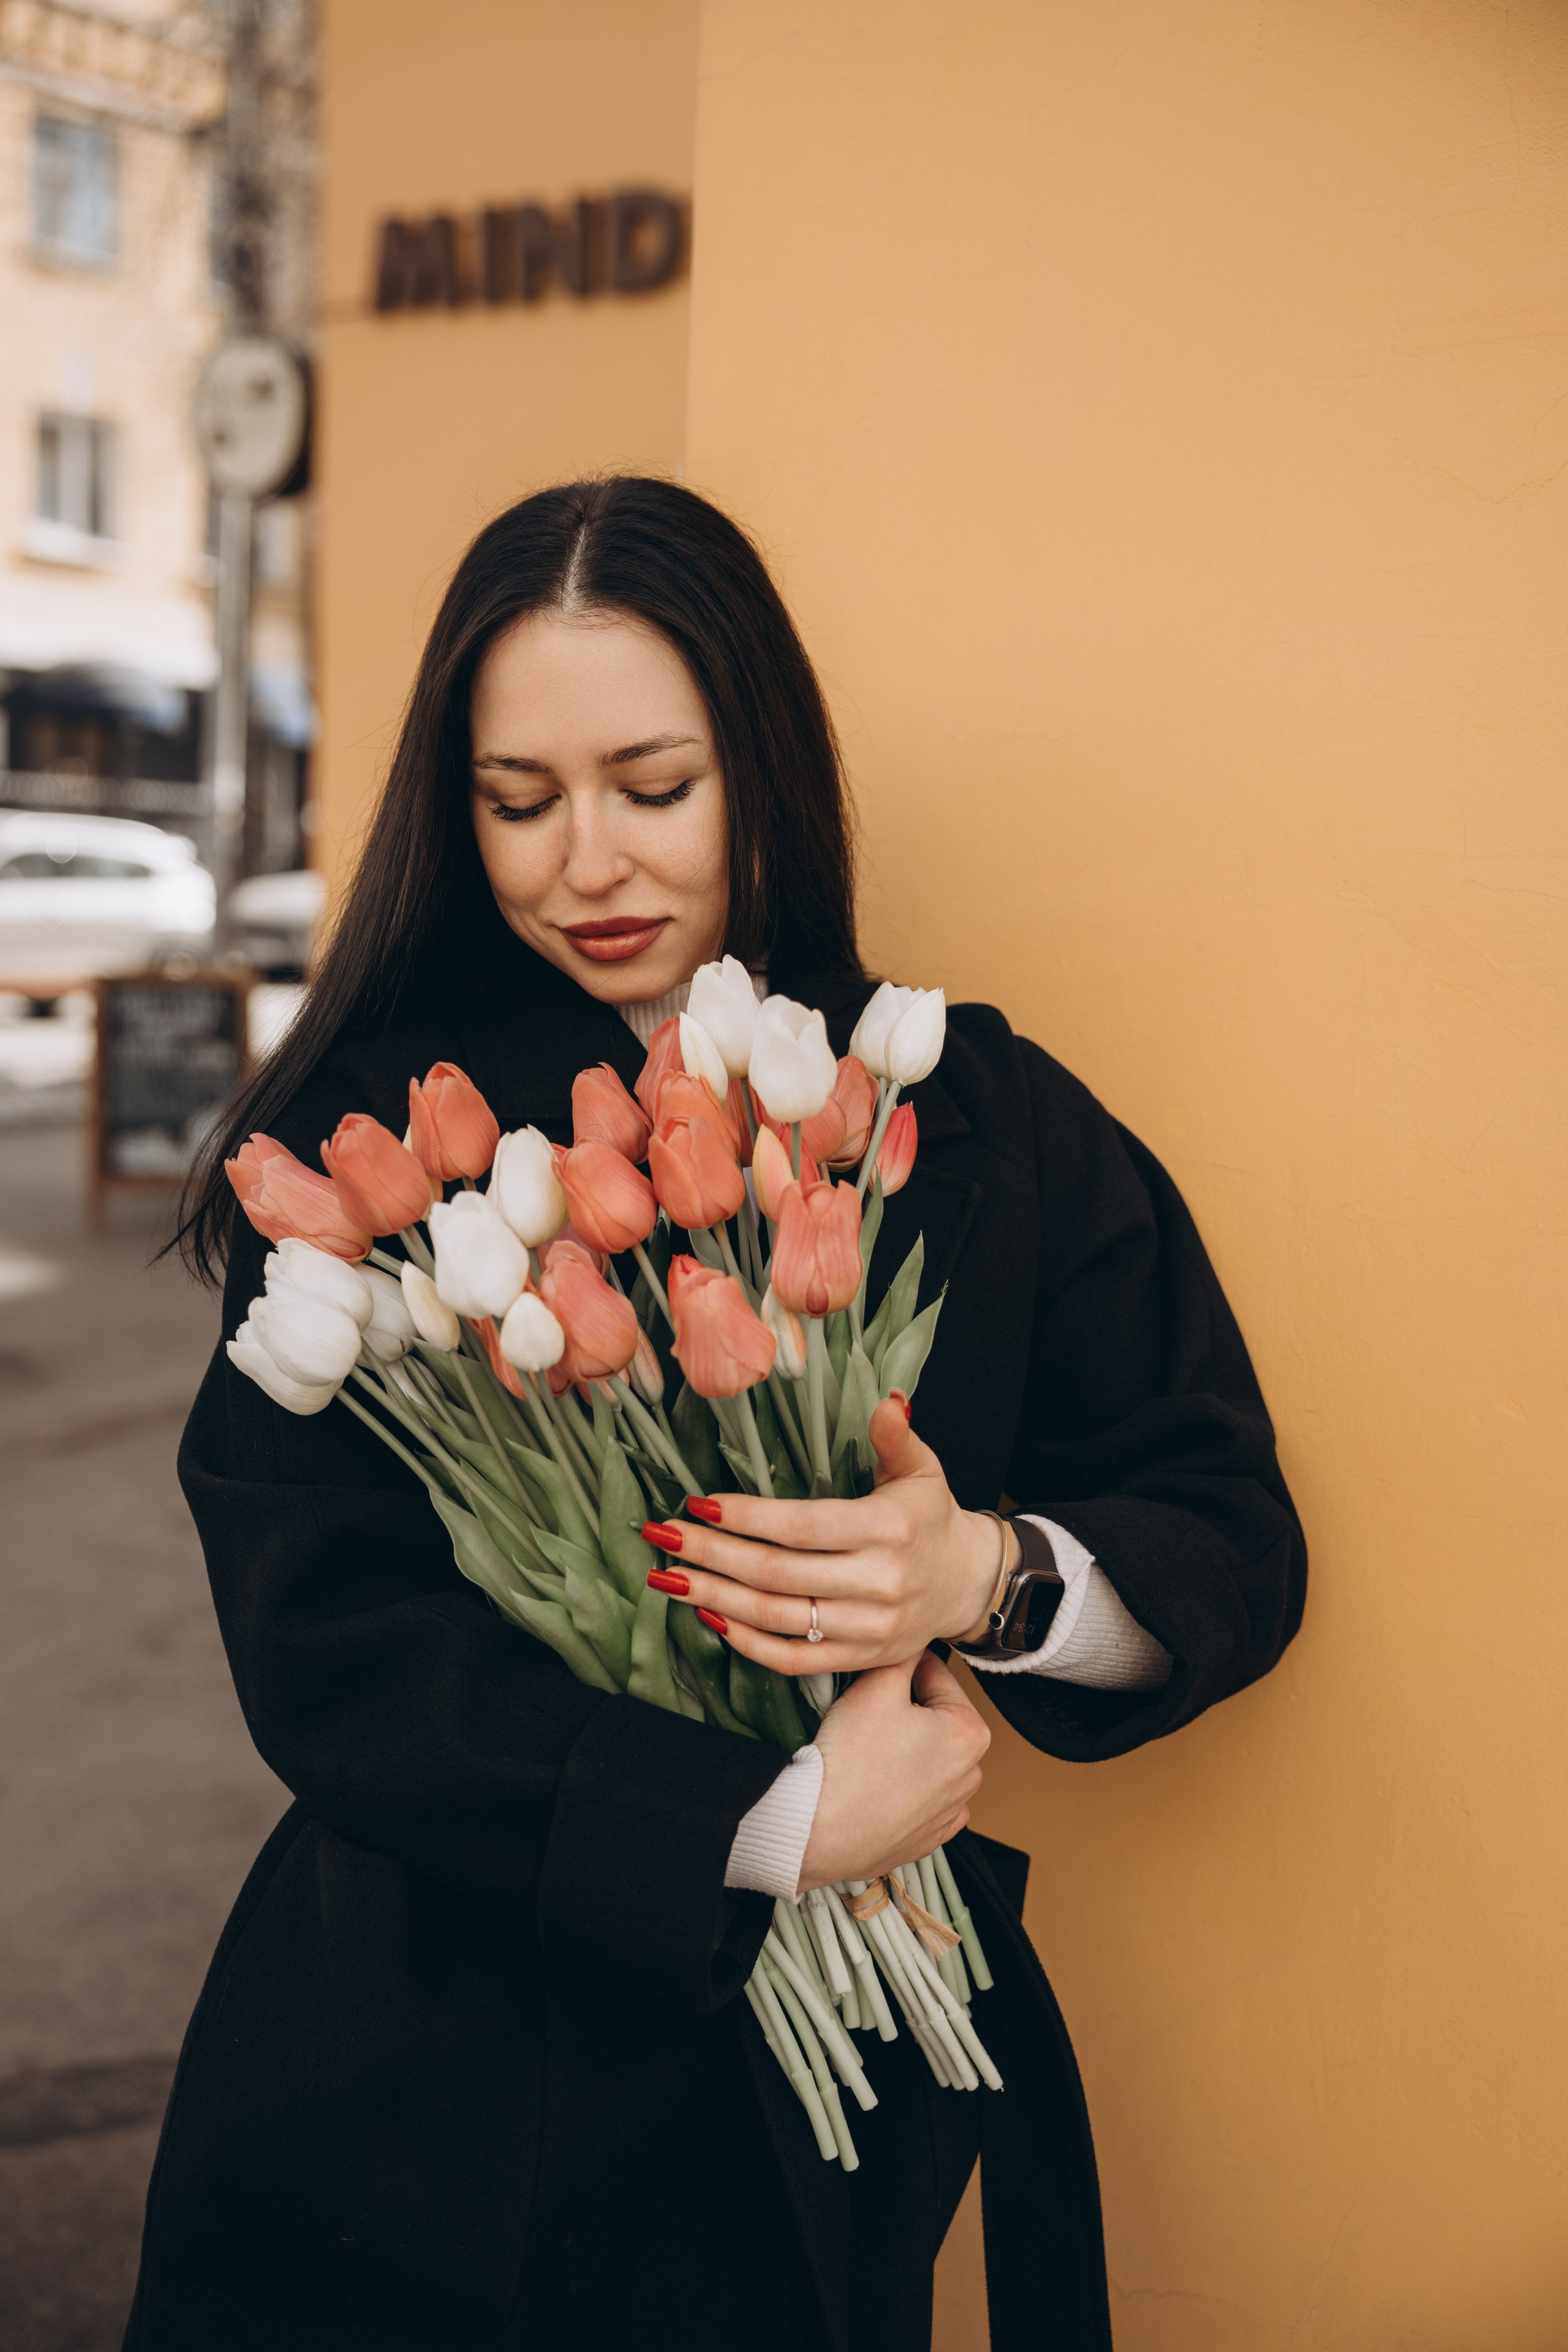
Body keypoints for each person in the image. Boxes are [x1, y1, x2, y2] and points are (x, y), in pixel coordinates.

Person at [126, 477, 1305, 2352]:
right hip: (410, 2102)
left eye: (650, 788)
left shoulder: (972, 1117)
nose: (582, 864)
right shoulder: (373, 1145)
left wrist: (980, 1577)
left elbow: (1228, 1526)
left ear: (761, 763)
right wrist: (763, 1821)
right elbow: (320, 1633)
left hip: (810, 2160)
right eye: (518, 803)